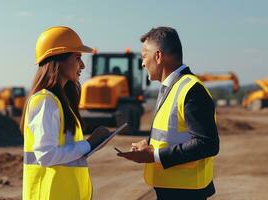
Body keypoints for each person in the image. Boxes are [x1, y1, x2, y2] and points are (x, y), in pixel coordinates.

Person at [117, 27, 220, 200]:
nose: (142, 64)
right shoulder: (170, 87)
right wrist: (148, 144)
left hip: (186, 193)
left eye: (144, 56)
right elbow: (173, 132)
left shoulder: (191, 90)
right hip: (172, 189)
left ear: (158, 56)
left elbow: (207, 144)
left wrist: (154, 155)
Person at [21, 26, 110, 200]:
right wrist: (89, 144)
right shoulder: (45, 101)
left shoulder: (61, 103)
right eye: (78, 58)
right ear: (58, 60)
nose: (83, 65)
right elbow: (46, 155)